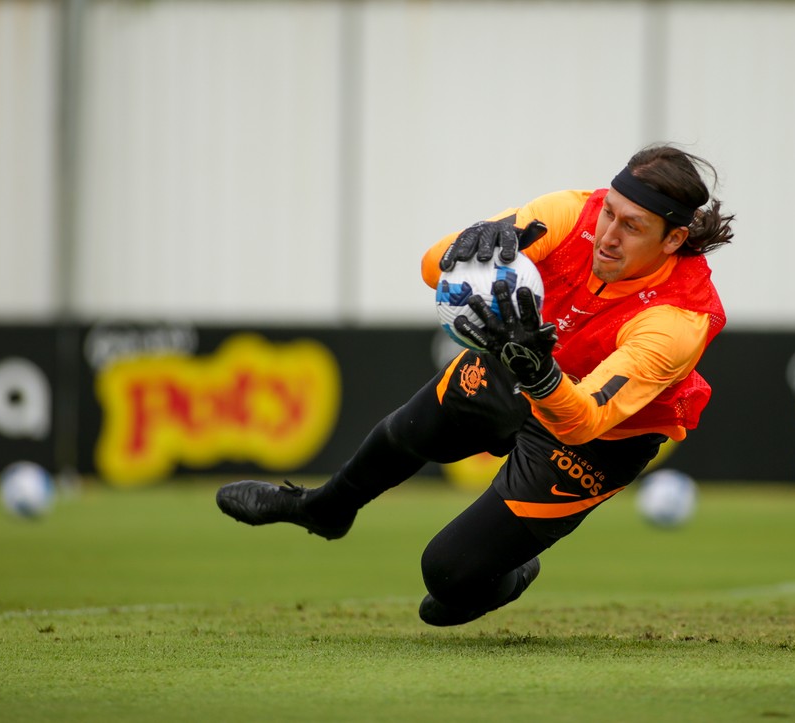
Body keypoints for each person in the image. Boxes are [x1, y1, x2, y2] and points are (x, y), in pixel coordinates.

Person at [217, 144, 734, 626]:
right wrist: (468, 244)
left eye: (632, 226)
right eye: (610, 212)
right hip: (520, 362)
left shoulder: (679, 319)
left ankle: (513, 569)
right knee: (407, 432)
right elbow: (430, 268)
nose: (607, 235)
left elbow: (583, 422)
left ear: (673, 240)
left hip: (601, 437)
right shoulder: (570, 212)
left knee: (447, 581)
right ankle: (324, 509)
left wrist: (539, 372)